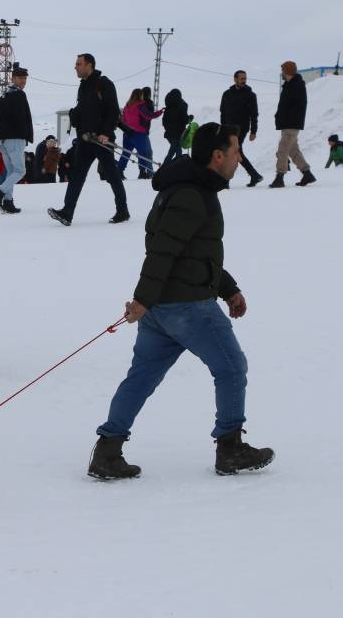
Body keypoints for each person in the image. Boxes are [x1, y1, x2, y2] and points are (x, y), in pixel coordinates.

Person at [86, 123, 274, 480]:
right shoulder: (191, 194)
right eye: (235, 152)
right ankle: (230, 449)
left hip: (164, 310)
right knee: (232, 368)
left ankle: (107, 451)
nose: (239, 158)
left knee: (141, 377)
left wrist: (228, 288)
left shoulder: (190, 189)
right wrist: (143, 298)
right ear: (217, 156)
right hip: (187, 307)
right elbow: (163, 251)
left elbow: (195, 253)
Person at [47, 53, 130, 226]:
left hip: (101, 140)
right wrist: (74, 114)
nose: (75, 67)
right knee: (77, 175)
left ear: (89, 65)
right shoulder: (83, 86)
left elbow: (113, 111)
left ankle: (122, 211)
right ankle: (67, 212)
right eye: (76, 64)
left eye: (79, 64)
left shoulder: (104, 84)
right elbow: (84, 110)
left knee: (112, 175)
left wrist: (106, 133)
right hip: (85, 140)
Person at [0, 66, 33, 213]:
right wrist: (23, 132)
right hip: (15, 138)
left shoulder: (4, 95)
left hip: (3, 140)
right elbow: (21, 117)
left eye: (25, 78)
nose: (23, 81)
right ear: (13, 78)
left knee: (11, 171)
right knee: (20, 171)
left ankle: (8, 202)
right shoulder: (18, 95)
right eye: (20, 78)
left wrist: (3, 130)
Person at [270, 61, 316, 188]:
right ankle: (307, 174)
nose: (281, 73)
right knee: (292, 150)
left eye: (283, 71)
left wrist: (284, 117)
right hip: (288, 123)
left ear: (287, 71)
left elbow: (295, 107)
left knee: (282, 149)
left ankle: (279, 177)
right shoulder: (290, 85)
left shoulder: (296, 86)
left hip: (291, 123)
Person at [219, 71, 264, 186]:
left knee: (233, 151)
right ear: (235, 79)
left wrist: (254, 131)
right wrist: (222, 127)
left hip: (241, 128)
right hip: (228, 128)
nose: (244, 80)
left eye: (245, 78)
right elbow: (223, 112)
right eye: (241, 78)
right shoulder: (227, 94)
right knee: (235, 152)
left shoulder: (250, 95)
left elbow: (254, 114)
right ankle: (254, 175)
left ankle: (226, 180)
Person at [161, 89, 189, 167]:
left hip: (169, 134)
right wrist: (190, 118)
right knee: (176, 151)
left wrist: (169, 128)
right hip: (178, 133)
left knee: (174, 150)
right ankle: (169, 168)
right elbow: (185, 120)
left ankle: (168, 168)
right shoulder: (181, 106)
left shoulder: (168, 107)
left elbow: (164, 121)